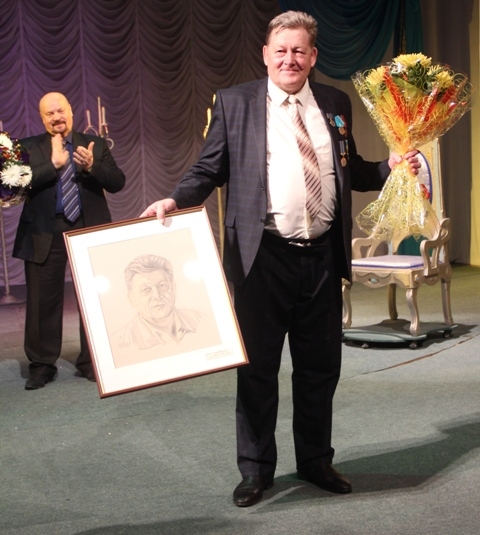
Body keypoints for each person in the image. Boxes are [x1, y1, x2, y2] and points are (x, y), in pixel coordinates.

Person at [141, 11, 420, 507]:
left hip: (322, 259)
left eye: (299, 51)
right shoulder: (235, 102)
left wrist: (388, 167)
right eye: (281, 50)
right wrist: (175, 199)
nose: (290, 59)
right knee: (258, 371)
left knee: (320, 370)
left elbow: (349, 169)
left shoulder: (334, 103)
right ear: (266, 55)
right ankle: (255, 470)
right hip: (262, 259)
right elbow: (209, 168)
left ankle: (315, 461)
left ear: (313, 57)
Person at [13, 92, 126, 390]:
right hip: (43, 232)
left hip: (88, 230)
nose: (56, 117)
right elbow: (15, 184)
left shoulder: (95, 144)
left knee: (94, 298)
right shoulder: (28, 147)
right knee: (42, 301)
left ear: (71, 112)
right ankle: (42, 365)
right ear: (42, 119)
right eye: (49, 114)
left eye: (60, 111)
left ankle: (93, 360)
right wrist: (52, 164)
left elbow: (118, 182)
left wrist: (92, 166)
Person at [110, 254, 206, 364]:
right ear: (132, 299)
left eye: (162, 286)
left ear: (174, 289)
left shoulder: (203, 321)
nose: (157, 295)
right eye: (146, 290)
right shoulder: (118, 344)